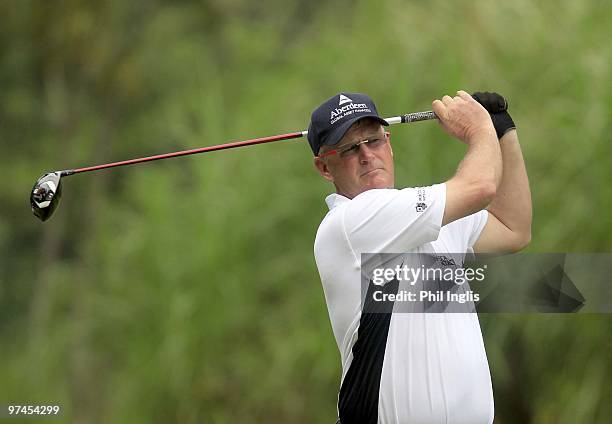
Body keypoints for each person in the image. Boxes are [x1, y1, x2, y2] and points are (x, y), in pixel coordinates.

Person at [309, 91, 532, 423]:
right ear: (325, 168)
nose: (367, 155)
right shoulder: (348, 223)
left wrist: (503, 132)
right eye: (350, 149)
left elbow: (513, 227)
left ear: (390, 142)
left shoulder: (425, 217)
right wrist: (480, 130)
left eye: (374, 140)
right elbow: (480, 186)